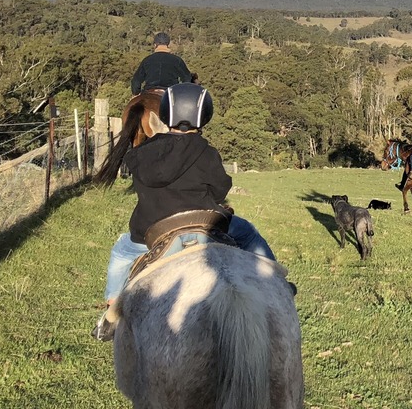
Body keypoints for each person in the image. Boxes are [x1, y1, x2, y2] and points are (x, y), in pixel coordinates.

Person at [94, 83, 284, 341]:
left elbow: (140, 183)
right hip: (205, 226)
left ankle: (111, 314)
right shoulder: (208, 152)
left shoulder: (143, 153)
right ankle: (277, 283)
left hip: (153, 231)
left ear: (165, 112)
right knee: (249, 233)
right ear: (204, 114)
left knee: (120, 253)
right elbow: (220, 190)